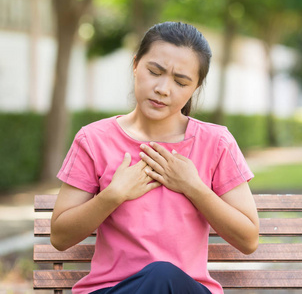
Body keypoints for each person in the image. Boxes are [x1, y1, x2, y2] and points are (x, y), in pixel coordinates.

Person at [50, 21, 259, 294]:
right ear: (136, 65)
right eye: (154, 71)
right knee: (158, 277)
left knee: (163, 275)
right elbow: (60, 237)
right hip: (113, 290)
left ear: (194, 88)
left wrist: (193, 187)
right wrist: (113, 195)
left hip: (184, 290)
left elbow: (248, 239)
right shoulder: (94, 139)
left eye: (180, 81)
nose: (163, 88)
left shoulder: (216, 143)